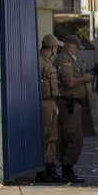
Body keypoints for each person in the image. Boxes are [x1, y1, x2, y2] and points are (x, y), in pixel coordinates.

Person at [54, 34, 94, 183]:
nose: (78, 50)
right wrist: (86, 79)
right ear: (70, 45)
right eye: (77, 47)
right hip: (68, 104)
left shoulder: (69, 60)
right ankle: (67, 168)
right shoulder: (65, 60)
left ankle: (67, 168)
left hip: (73, 104)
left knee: (70, 137)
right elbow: (69, 82)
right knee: (74, 137)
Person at [35, 34, 65, 183]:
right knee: (45, 137)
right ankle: (42, 170)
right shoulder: (40, 62)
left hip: (52, 103)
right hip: (44, 103)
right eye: (56, 47)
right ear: (52, 47)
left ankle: (51, 167)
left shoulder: (48, 62)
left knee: (53, 137)